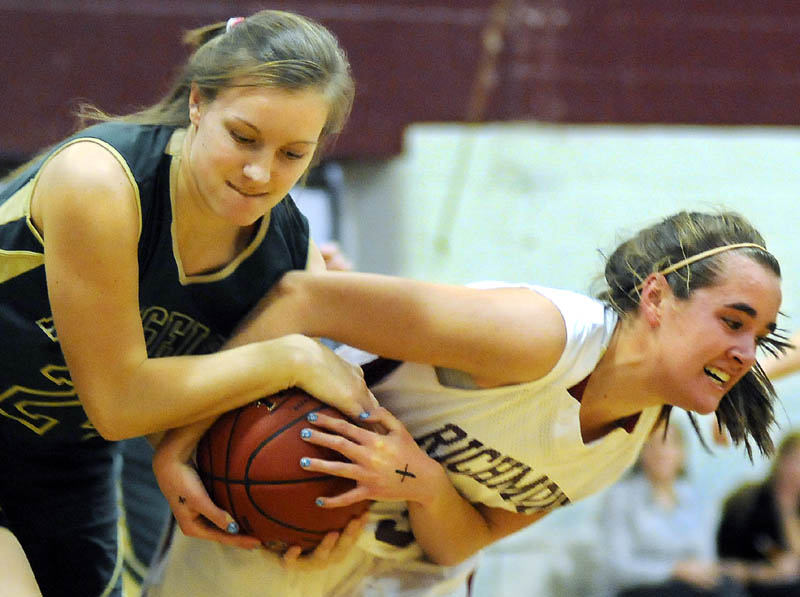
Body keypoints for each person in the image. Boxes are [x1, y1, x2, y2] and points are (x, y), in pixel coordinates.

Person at [146, 210, 787, 596]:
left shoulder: (629, 441)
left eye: (758, 336)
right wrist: (180, 446)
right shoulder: (537, 337)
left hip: (408, 581)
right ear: (654, 298)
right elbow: (302, 299)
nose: (745, 351)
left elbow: (464, 542)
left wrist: (421, 484)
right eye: (733, 321)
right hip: (271, 534)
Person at [0, 10, 376, 597]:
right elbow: (119, 403)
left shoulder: (290, 258)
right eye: (243, 137)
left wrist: (306, 520)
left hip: (64, 461)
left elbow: (233, 419)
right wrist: (292, 356)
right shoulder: (100, 180)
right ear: (199, 103)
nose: (259, 172)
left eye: (292, 154)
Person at [601, 420, 746, 596]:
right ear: (640, 451)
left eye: (669, 444)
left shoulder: (692, 497)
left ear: (682, 453)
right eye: (652, 445)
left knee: (729, 588)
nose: (661, 452)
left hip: (688, 584)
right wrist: (674, 569)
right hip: (643, 588)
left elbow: (705, 556)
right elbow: (619, 568)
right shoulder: (621, 497)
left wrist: (697, 572)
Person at [717, 430, 800, 596]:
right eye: (794, 461)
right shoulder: (746, 502)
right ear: (780, 461)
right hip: (749, 586)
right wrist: (765, 573)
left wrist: (788, 512)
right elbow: (726, 565)